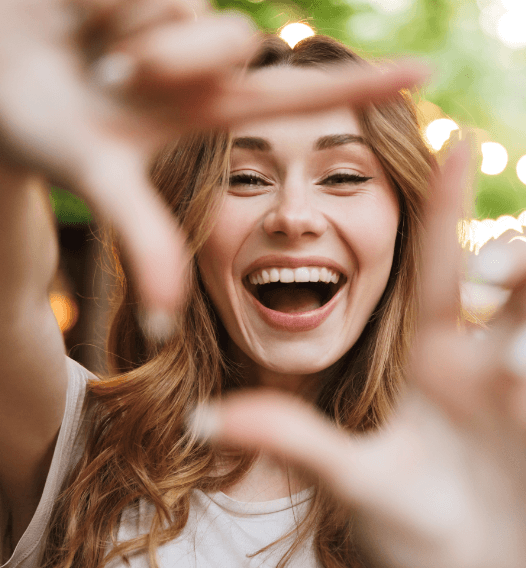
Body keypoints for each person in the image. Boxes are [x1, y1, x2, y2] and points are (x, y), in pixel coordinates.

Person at [2, 3, 525, 568]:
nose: (293, 215)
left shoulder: (483, 474)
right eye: (245, 178)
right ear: (187, 223)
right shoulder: (78, 442)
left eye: (344, 176)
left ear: (404, 226)